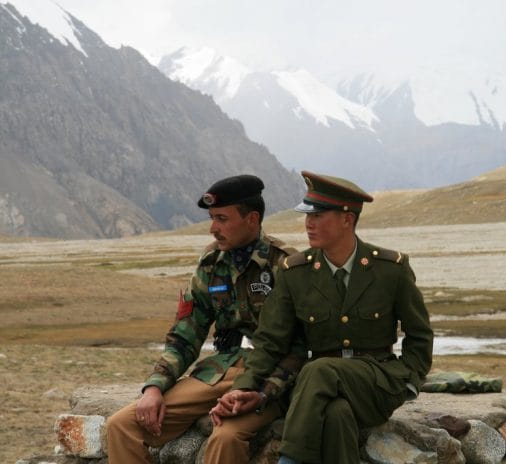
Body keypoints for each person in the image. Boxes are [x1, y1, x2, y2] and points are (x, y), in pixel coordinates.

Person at [224, 171, 434, 464]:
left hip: (376, 383)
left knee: (318, 369)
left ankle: (288, 461)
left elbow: (420, 334)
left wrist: (409, 380)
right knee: (336, 414)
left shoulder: (390, 268)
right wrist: (244, 387)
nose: (309, 223)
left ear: (347, 219)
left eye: (319, 215)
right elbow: (270, 341)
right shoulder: (295, 271)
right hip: (319, 389)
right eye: (307, 215)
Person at [106, 174, 303, 463]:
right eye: (212, 218)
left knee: (225, 438)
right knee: (122, 425)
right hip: (218, 371)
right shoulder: (211, 264)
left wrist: (264, 393)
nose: (213, 229)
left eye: (222, 219)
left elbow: (300, 346)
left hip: (268, 380)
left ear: (252, 219)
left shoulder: (285, 264)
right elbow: (187, 332)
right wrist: (154, 386)